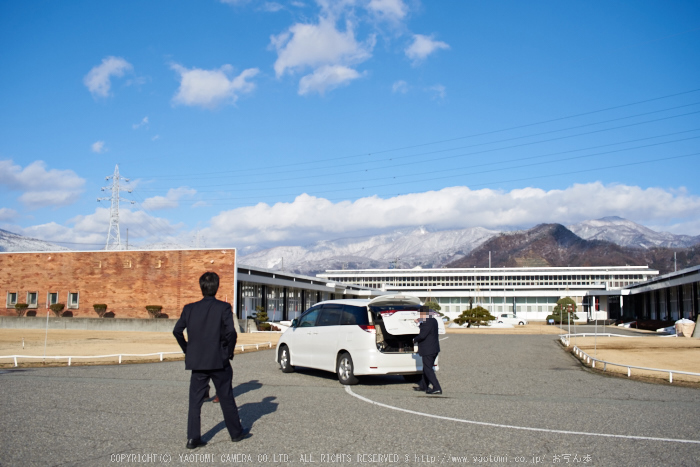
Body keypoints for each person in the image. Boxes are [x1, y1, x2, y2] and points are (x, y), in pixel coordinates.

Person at [173, 272, 249, 449]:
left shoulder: (189, 309)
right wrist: (228, 353)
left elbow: (177, 331)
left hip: (197, 361)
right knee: (226, 396)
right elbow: (231, 333)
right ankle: (236, 433)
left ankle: (193, 438)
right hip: (219, 360)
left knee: (195, 401)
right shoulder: (223, 308)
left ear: (201, 287)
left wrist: (188, 351)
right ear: (217, 287)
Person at [413, 305, 442, 395]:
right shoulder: (433, 320)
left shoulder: (427, 322)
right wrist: (420, 321)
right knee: (427, 367)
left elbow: (422, 335)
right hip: (434, 348)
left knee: (428, 369)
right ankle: (424, 386)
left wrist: (414, 340)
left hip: (428, 349)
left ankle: (437, 387)